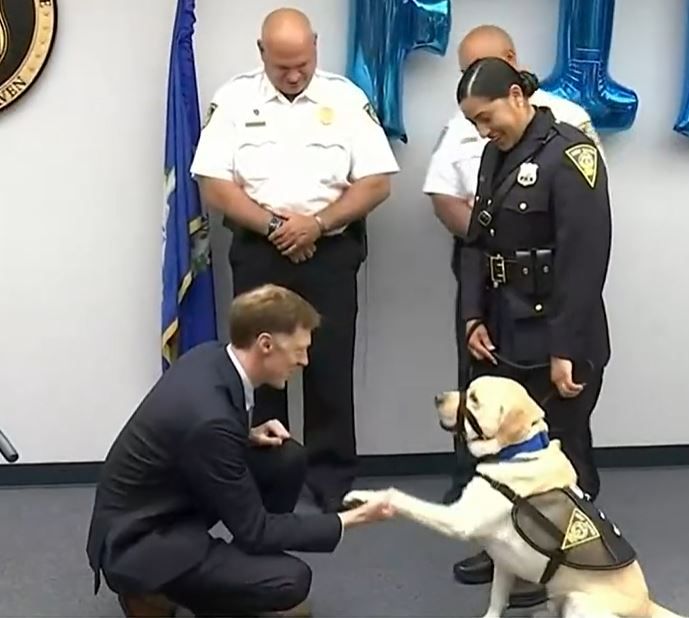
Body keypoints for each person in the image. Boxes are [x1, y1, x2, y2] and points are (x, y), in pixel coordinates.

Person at [421, 27, 605, 605]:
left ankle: (567, 561)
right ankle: (513, 552)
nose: (482, 129)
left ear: (519, 97)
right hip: (505, 324)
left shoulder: (571, 151)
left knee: (561, 450)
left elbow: (585, 254)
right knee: (507, 452)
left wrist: (564, 347)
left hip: (557, 329)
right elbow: (477, 242)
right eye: (473, 121)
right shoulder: (494, 157)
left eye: (487, 116)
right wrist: (473, 315)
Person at [190, 8, 399, 513]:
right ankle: (266, 481)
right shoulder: (235, 99)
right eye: (282, 65)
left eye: (302, 63)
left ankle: (333, 481)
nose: (293, 74)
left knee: (328, 367)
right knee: (258, 367)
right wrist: (275, 227)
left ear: (316, 48)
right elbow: (213, 180)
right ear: (261, 52)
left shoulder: (346, 98)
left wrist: (318, 224)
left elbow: (376, 181)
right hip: (262, 251)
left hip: (328, 251)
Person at [84, 284, 395, 617]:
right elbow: (257, 528)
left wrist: (244, 435)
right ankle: (149, 589)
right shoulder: (211, 421)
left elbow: (191, 432)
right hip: (139, 542)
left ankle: (232, 573)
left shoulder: (211, 357)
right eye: (299, 350)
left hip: (160, 505)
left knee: (287, 458)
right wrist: (353, 518)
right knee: (292, 581)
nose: (304, 360)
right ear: (265, 344)